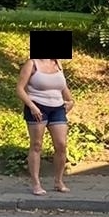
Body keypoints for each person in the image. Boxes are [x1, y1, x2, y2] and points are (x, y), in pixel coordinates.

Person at [17, 57, 74, 195]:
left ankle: (58, 181)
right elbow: (19, 88)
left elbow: (62, 86)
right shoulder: (32, 64)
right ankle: (36, 183)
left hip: (57, 108)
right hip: (37, 107)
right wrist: (31, 106)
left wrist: (71, 100)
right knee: (36, 145)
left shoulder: (57, 64)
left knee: (61, 144)